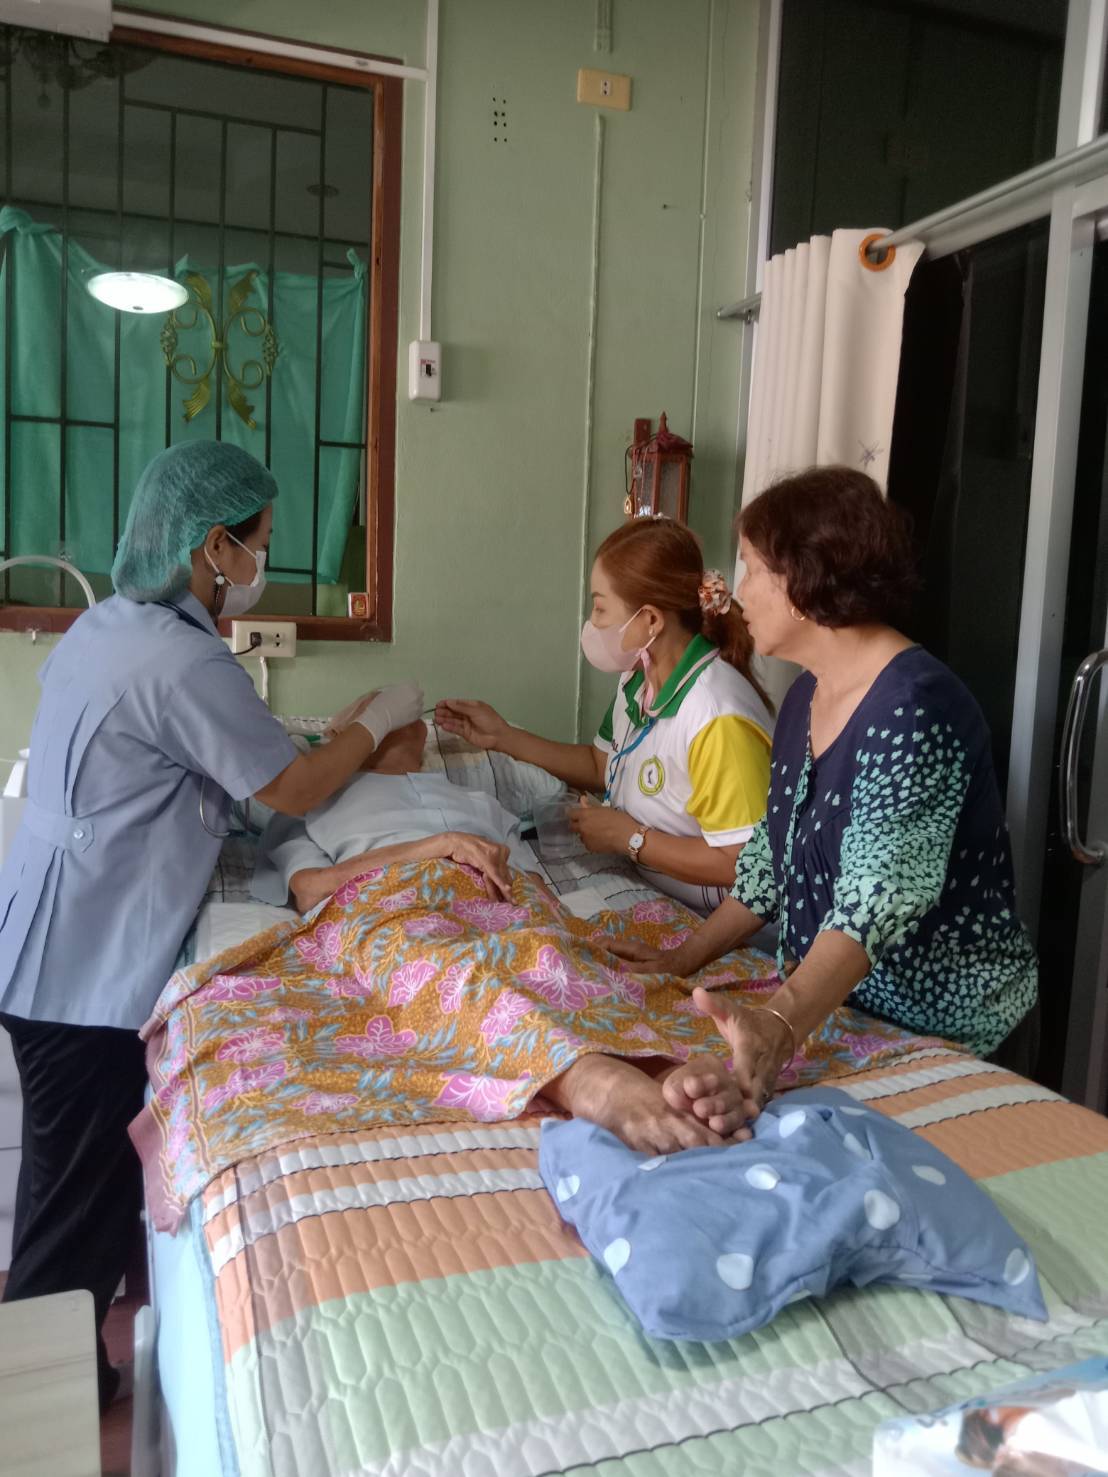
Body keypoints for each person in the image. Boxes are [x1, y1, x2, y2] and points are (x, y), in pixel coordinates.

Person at [0, 440, 424, 1412]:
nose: (261, 559)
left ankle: (69, 1378)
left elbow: (217, 763)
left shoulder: (113, 624)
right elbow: (293, 787)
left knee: (77, 1189)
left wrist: (327, 743)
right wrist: (374, 724)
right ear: (212, 546)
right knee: (70, 1208)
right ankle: (31, 1418)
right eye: (257, 541)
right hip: (80, 967)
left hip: (48, 937)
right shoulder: (181, 657)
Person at [609, 467, 1040, 1126]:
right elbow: (767, 867)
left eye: (752, 567)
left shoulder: (916, 707)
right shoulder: (806, 696)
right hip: (848, 1015)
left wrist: (779, 1023)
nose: (736, 589)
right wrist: (681, 959)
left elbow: (876, 902)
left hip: (944, 1032)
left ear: (805, 578)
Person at [437, 518, 774, 914]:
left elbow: (742, 865)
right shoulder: (639, 679)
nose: (593, 623)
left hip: (721, 919)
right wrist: (503, 737)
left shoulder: (716, 717)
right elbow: (601, 765)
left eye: (600, 607)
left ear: (650, 620)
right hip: (656, 888)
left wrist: (631, 838)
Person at [251, 719, 531, 913]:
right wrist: (442, 845)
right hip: (397, 913)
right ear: (339, 735)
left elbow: (533, 888)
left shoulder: (485, 802)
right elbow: (311, 891)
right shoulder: (307, 802)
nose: (401, 717)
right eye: (376, 707)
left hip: (504, 918)